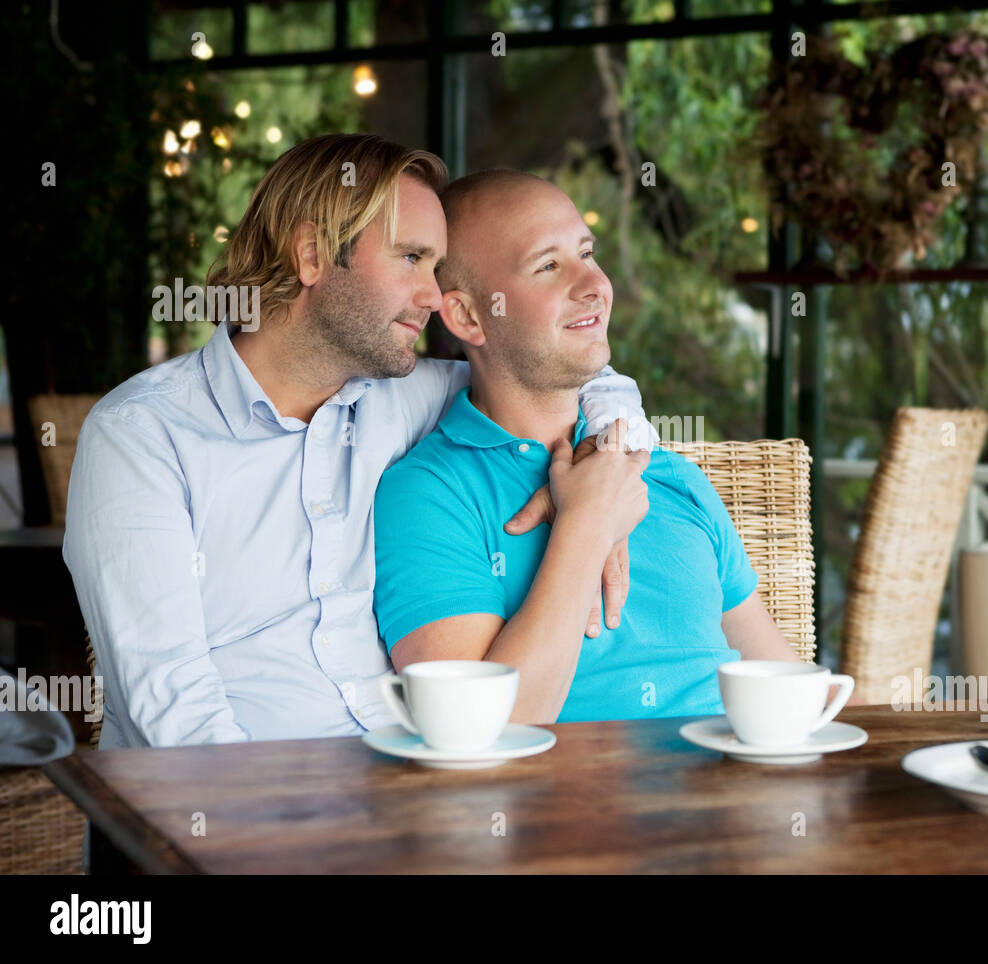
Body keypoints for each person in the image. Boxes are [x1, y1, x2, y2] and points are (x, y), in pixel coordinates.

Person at [63, 135, 655, 748]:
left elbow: (551, 371)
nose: (433, 295)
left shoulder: (407, 396)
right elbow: (172, 711)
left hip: (408, 787)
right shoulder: (142, 436)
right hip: (230, 810)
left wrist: (606, 461)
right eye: (411, 258)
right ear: (313, 254)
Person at [373, 169, 810, 724]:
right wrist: (588, 523)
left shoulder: (665, 472)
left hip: (739, 792)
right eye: (549, 265)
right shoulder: (428, 496)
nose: (594, 285)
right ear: (467, 315)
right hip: (566, 806)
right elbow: (478, 731)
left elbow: (793, 693)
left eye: (587, 253)